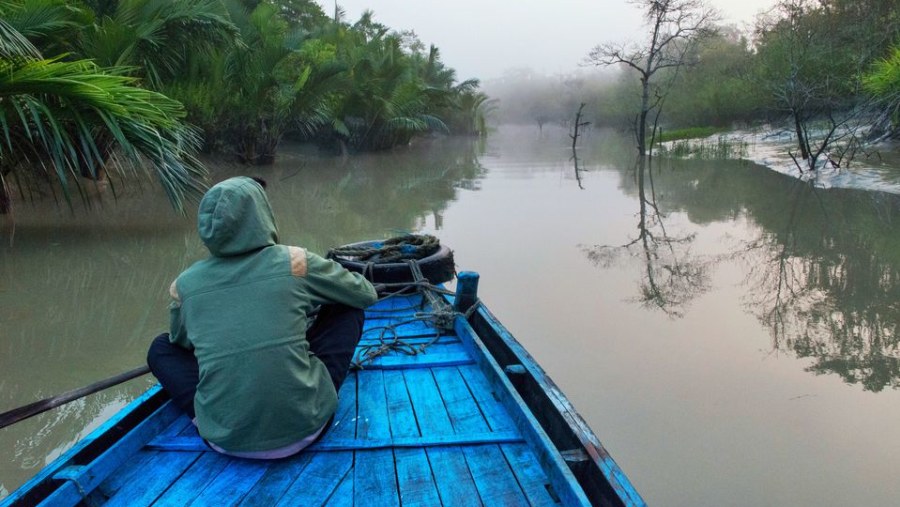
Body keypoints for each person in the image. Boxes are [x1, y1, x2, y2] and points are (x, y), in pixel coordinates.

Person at [147, 176, 377, 459]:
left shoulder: (185, 285)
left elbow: (181, 344)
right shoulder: (295, 261)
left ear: (206, 227)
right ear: (261, 215)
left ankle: (214, 415)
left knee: (160, 348)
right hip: (308, 426)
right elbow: (364, 294)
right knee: (348, 307)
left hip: (224, 440)